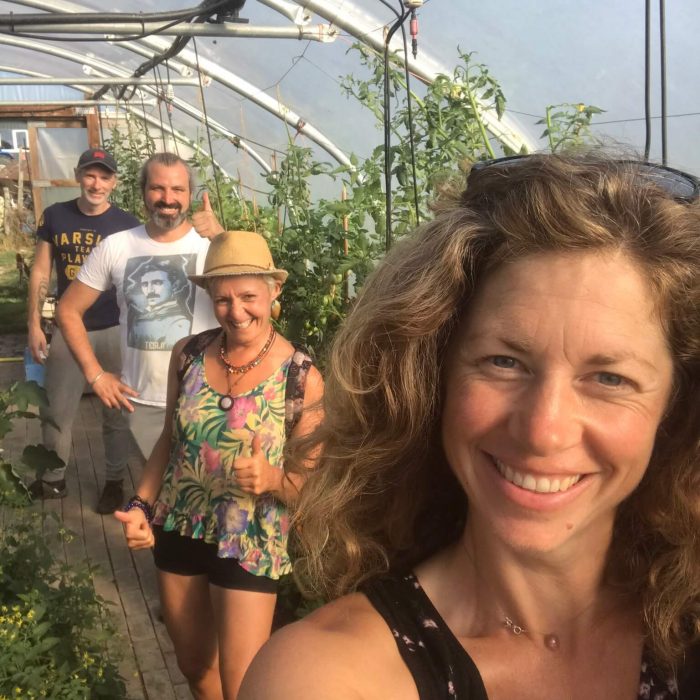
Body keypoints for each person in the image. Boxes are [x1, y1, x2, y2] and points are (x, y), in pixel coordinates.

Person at [240, 153, 700, 699]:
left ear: (675, 406)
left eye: (609, 378)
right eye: (504, 362)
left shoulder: (685, 630)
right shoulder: (326, 679)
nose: (543, 431)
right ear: (430, 377)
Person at [113, 230, 324, 700]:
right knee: (194, 668)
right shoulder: (187, 354)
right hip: (181, 524)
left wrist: (271, 478)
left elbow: (311, 486)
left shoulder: (302, 378)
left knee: (243, 684)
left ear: (274, 291)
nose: (236, 310)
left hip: (249, 536)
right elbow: (170, 440)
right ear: (209, 296)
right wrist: (140, 506)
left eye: (249, 296)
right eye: (223, 298)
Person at [58, 152, 223, 513]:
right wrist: (96, 375)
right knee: (167, 502)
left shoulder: (213, 247)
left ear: (191, 194)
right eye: (158, 187)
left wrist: (223, 237)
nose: (168, 198)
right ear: (143, 191)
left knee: (211, 498)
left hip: (207, 399)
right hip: (145, 402)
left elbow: (258, 301)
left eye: (178, 189)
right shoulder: (117, 247)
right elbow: (68, 309)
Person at [27, 147, 139, 511]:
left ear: (114, 182)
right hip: (68, 327)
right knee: (56, 409)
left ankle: (114, 481)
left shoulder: (127, 224)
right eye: (90, 175)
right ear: (78, 175)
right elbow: (42, 270)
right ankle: (52, 480)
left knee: (117, 413)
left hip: (114, 328)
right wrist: (33, 323)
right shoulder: (56, 216)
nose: (96, 183)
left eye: (104, 176)